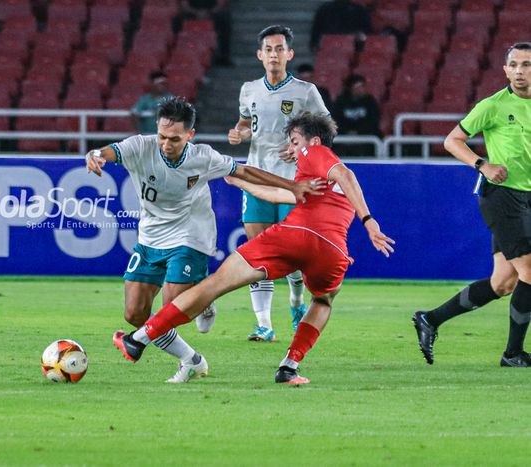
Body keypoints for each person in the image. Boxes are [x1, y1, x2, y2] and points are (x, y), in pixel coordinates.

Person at [112, 112, 394, 385]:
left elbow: (345, 173)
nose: (291, 150)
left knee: (215, 284)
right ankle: (289, 366)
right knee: (322, 301)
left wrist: (369, 221)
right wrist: (240, 182)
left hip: (292, 236)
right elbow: (279, 194)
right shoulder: (317, 182)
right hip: (332, 250)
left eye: (295, 142)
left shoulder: (317, 154)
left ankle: (139, 339)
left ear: (314, 141)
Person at [86, 97, 314, 382]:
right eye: (162, 136)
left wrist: (291, 184)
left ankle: (201, 296)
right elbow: (106, 152)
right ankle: (190, 358)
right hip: (150, 237)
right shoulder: (140, 146)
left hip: (190, 235)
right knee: (134, 314)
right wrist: (94, 155)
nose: (166, 144)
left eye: (175, 139)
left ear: (190, 136)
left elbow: (244, 170)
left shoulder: (203, 157)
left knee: (172, 307)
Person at [413, 42, 531, 367]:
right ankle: (513, 354)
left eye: (527, 64)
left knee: (504, 282)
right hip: (502, 196)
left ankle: (430, 319)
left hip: (527, 198)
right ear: (505, 69)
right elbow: (452, 140)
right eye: (515, 65)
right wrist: (483, 164)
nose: (520, 71)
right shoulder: (493, 105)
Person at [227, 25, 329, 342]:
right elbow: (246, 122)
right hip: (256, 177)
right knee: (258, 253)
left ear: (289, 54)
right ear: (260, 55)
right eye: (268, 49)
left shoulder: (305, 91)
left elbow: (327, 130)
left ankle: (297, 304)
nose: (274, 54)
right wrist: (239, 133)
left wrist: (303, 148)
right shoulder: (248, 89)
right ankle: (264, 324)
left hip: (292, 184)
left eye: (279, 48)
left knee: (294, 258)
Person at [331, 73, 381, 156]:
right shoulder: (341, 101)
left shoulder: (370, 101)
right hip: (344, 135)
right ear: (351, 88)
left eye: (362, 86)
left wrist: (358, 132)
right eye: (357, 87)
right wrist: (347, 131)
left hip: (366, 135)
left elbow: (373, 120)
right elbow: (336, 119)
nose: (360, 90)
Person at [177, 0, 232, 66]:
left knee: (224, 19)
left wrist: (208, 13)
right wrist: (196, 12)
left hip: (211, 13)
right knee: (178, 20)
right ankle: (179, 56)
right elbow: (185, 5)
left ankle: (224, 57)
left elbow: (220, 4)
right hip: (192, 13)